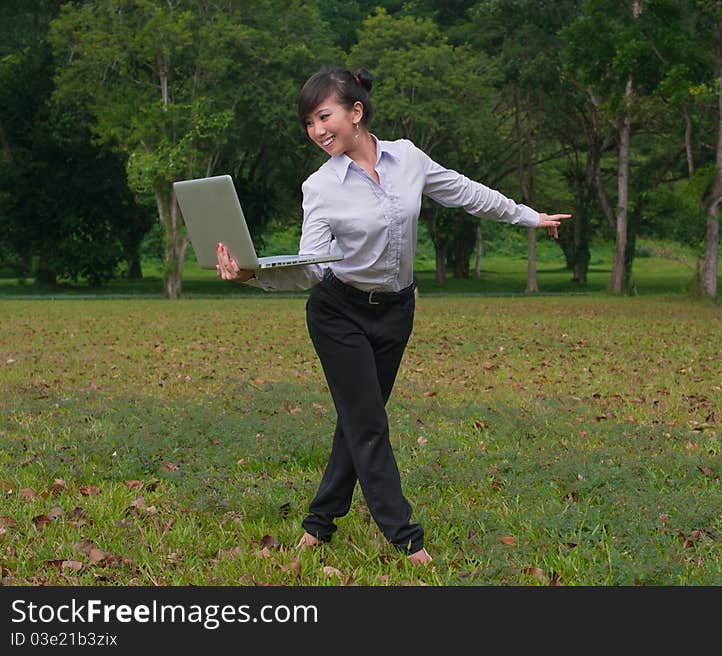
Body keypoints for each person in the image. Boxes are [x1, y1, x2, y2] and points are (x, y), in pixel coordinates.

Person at [215, 65, 570, 566]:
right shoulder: (320, 187)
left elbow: (467, 192)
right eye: (309, 124)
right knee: (368, 424)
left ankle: (318, 526)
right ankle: (405, 537)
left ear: (356, 112)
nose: (317, 132)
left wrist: (529, 216)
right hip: (339, 313)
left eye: (323, 117)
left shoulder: (408, 159)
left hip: (397, 311)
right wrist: (252, 274)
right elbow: (313, 266)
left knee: (357, 422)